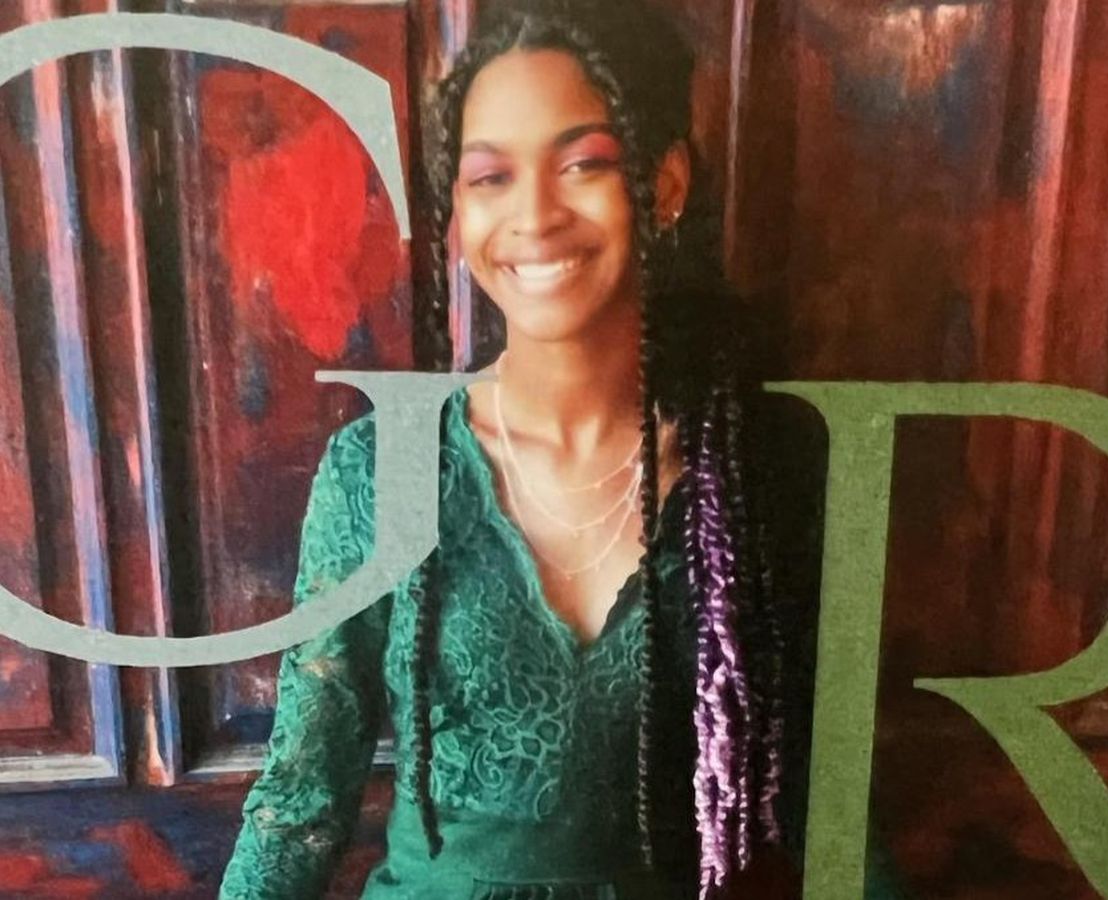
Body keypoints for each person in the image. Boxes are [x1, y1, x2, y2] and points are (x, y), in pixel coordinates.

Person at [220, 0, 904, 897]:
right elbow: (299, 807)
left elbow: (830, 809)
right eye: (491, 177)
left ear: (665, 184)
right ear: (459, 214)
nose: (535, 214)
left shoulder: (757, 471)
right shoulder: (383, 472)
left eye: (583, 163)